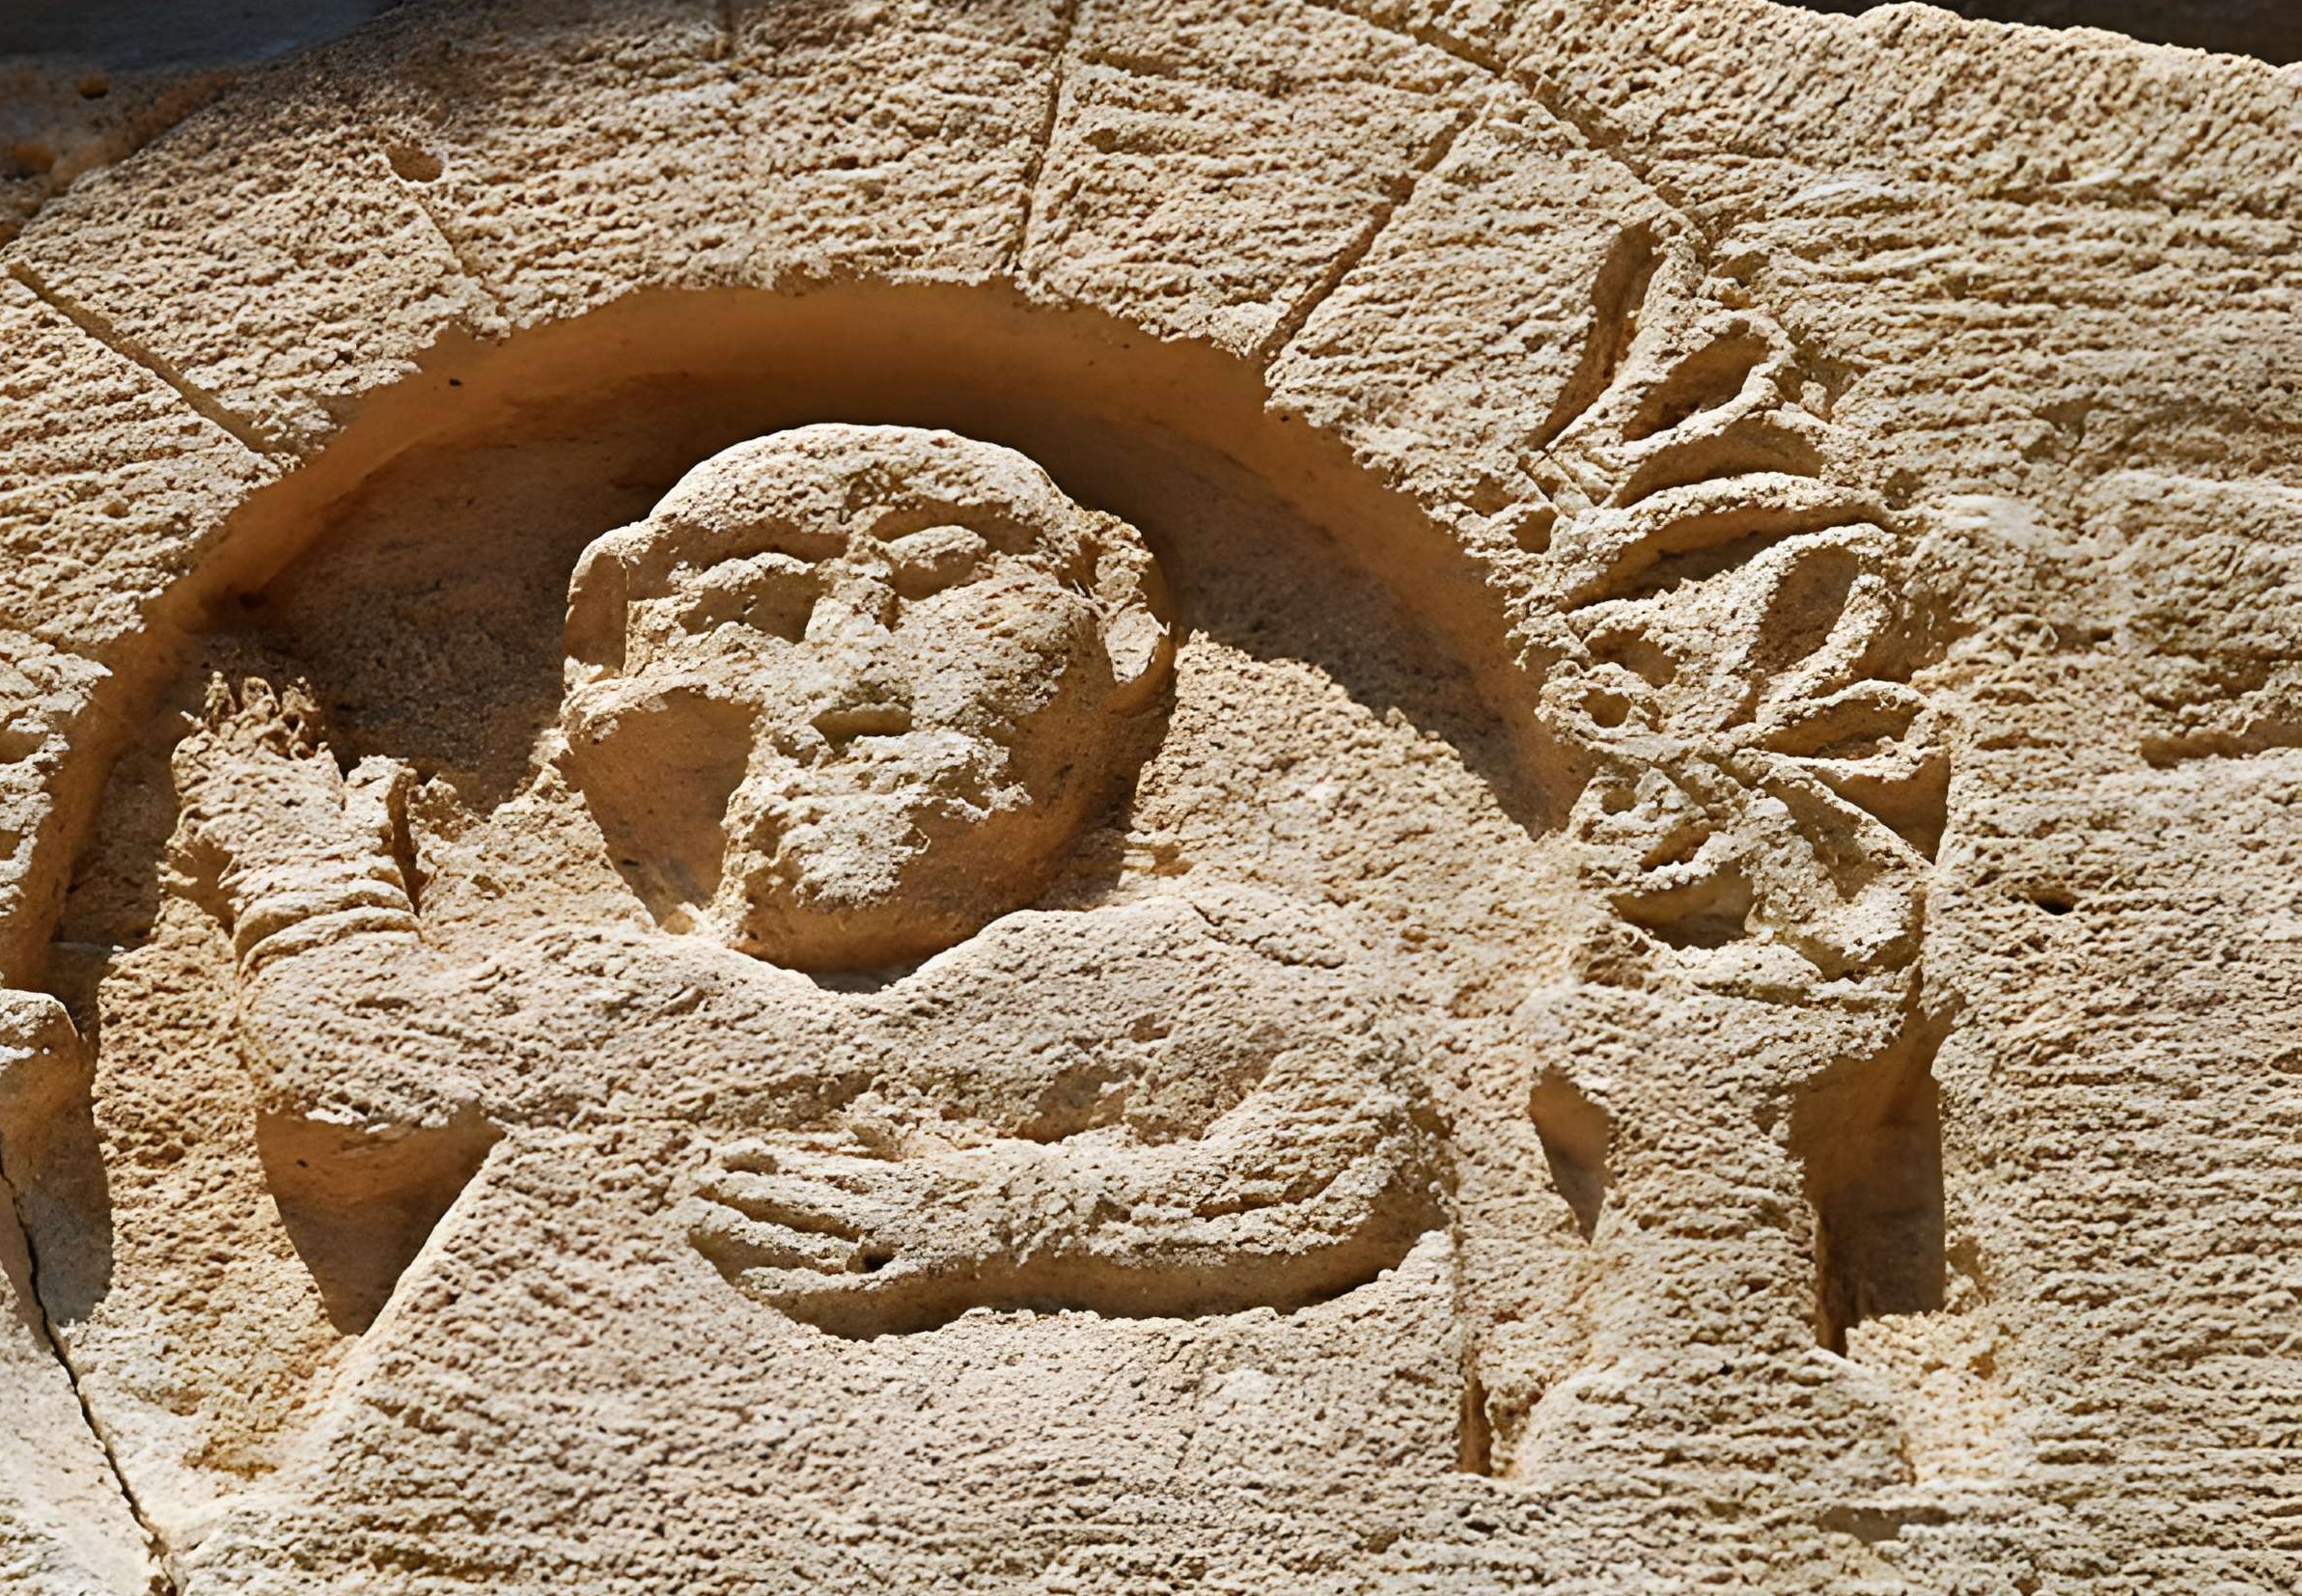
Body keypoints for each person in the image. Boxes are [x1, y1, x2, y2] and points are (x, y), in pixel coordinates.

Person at [170, 423, 1439, 1340]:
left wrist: (996, 1219)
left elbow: (1350, 1154)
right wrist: (302, 873)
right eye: (759, 606)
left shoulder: (1214, 969)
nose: (848, 680)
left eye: (945, 582)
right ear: (610, 663)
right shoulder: (614, 1002)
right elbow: (352, 1089)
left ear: (1117, 620)